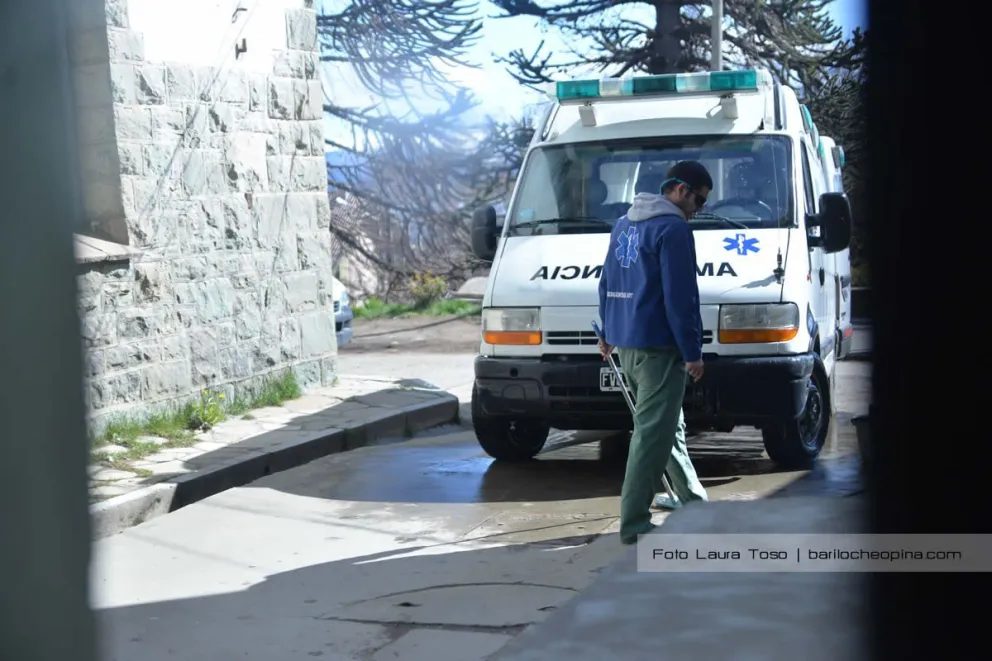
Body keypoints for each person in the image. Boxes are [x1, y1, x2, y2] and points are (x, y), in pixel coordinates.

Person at [597, 160, 712, 545]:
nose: (697, 209)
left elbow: (607, 280)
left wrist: (607, 331)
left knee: (666, 428)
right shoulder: (673, 229)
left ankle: (692, 500)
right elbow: (682, 299)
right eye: (698, 199)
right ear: (679, 189)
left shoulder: (624, 223)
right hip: (659, 348)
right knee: (651, 436)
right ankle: (634, 523)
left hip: (627, 344)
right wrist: (692, 351)